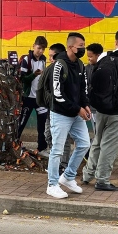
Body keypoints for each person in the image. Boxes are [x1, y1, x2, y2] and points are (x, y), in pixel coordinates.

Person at [82, 29, 118, 191]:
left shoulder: (105, 58)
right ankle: (102, 180)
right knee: (110, 145)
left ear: (116, 42)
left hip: (100, 109)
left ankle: (87, 175)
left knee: (97, 141)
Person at [46, 32, 91, 199]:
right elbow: (58, 94)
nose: (83, 50)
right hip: (61, 114)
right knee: (57, 150)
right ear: (70, 47)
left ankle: (68, 177)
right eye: (80, 47)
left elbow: (83, 89)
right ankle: (52, 184)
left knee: (84, 144)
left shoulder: (80, 65)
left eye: (83, 47)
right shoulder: (59, 65)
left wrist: (85, 105)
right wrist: (77, 109)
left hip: (76, 113)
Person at [17, 36, 48, 153]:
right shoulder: (26, 60)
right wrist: (34, 75)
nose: (40, 51)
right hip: (28, 97)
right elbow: (23, 79)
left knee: (42, 123)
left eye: (43, 49)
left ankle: (41, 147)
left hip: (40, 97)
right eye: (39, 48)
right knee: (22, 121)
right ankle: (15, 142)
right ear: (34, 46)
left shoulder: (44, 59)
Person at [42, 43, 71, 168]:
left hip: (63, 110)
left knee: (64, 139)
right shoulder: (50, 69)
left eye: (52, 56)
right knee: (48, 134)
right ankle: (56, 159)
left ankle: (63, 164)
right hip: (51, 109)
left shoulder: (66, 69)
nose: (50, 59)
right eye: (49, 56)